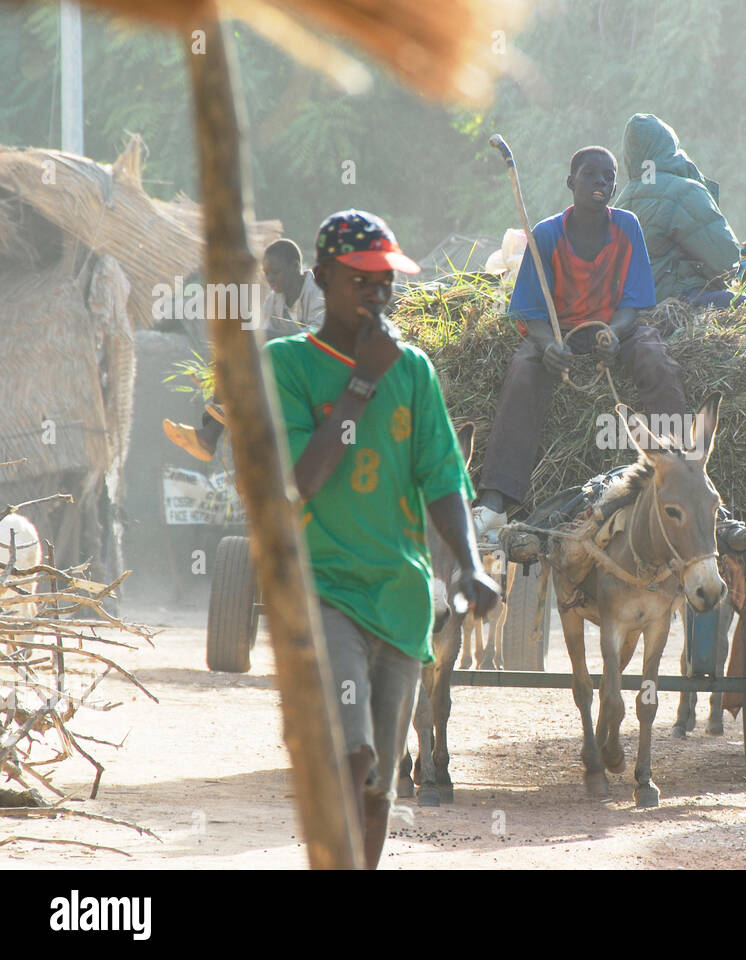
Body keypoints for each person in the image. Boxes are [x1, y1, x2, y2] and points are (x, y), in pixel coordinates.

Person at [265, 209, 498, 869]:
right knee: (353, 750)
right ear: (321, 279)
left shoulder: (415, 372)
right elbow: (302, 480)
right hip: (324, 593)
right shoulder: (286, 365)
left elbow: (443, 479)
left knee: (377, 787)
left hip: (402, 603)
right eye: (360, 281)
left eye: (385, 282)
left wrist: (472, 569)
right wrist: (362, 381)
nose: (376, 295)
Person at [472, 145, 687, 539]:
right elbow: (532, 313)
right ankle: (496, 499)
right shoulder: (548, 234)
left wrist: (613, 333)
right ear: (572, 182)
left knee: (655, 359)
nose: (600, 183)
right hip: (560, 331)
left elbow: (633, 304)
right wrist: (548, 345)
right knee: (524, 370)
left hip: (616, 328)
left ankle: (682, 471)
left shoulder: (628, 227)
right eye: (591, 175)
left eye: (608, 177)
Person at [615, 113, 746, 332]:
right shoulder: (684, 191)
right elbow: (726, 261)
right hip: (683, 300)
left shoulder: (621, 202)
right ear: (668, 149)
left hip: (635, 310)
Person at [163, 239, 325, 461]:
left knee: (250, 345)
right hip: (288, 365)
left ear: (295, 266)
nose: (270, 280)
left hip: (317, 366)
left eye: (275, 272)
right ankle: (209, 433)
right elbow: (267, 339)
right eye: (266, 274)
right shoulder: (274, 299)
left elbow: (319, 338)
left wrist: (258, 338)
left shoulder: (317, 291)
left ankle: (216, 424)